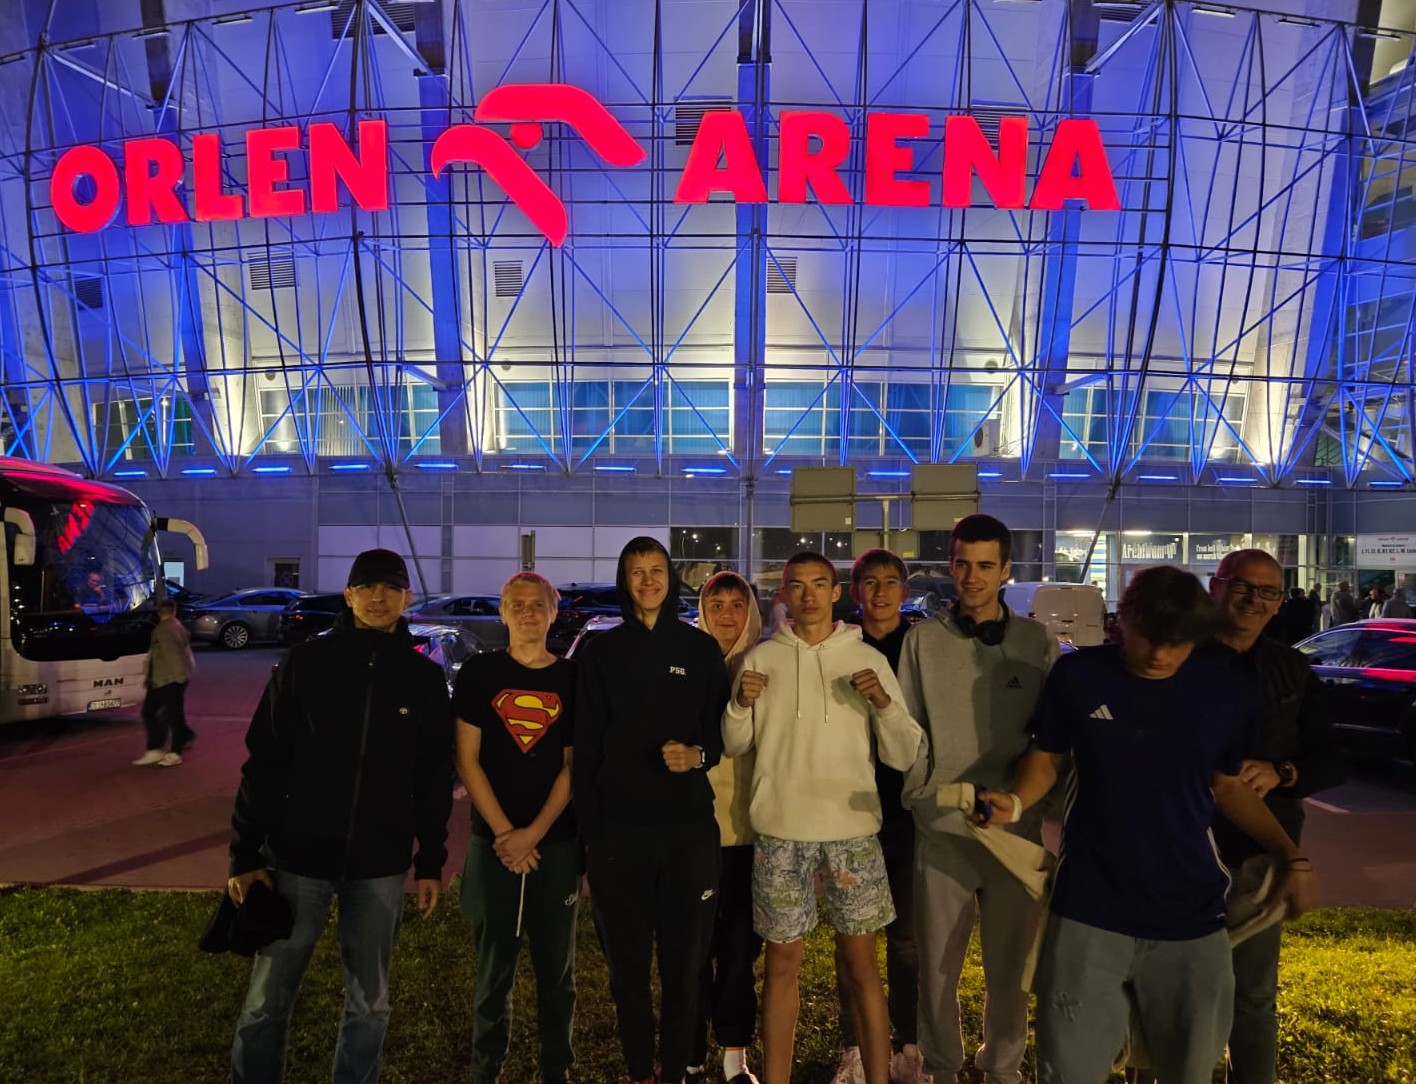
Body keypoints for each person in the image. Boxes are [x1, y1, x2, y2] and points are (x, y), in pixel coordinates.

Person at [981, 565, 1318, 1084]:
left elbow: (1228, 785)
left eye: (1177, 643)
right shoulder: (1079, 676)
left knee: (1189, 1070)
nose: (1160, 654)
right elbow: (1047, 756)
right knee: (1068, 1070)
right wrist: (1014, 802)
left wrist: (1291, 856)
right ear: (1123, 622)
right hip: (1089, 909)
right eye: (1148, 639)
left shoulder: (1224, 687)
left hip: (1191, 915)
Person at [226, 548, 454, 1084]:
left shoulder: (422, 679)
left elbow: (432, 776)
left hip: (380, 863)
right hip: (298, 857)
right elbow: (266, 759)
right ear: (348, 595)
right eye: (366, 586)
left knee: (370, 1003)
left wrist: (430, 861)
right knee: (266, 1000)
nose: (378, 597)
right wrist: (245, 852)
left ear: (407, 598)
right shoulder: (306, 663)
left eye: (390, 587)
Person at [723, 551, 924, 1084]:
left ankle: (878, 1076)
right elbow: (734, 743)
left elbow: (905, 753)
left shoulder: (866, 658)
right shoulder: (762, 657)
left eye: (819, 584)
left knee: (862, 965)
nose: (808, 595)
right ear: (784, 594)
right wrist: (740, 705)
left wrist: (883, 703)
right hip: (780, 832)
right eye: (797, 585)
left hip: (851, 835)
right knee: (781, 966)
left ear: (836, 593)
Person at [897, 516, 1060, 1084]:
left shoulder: (1037, 644)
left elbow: (1052, 739)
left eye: (985, 566)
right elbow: (908, 732)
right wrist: (924, 798)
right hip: (942, 828)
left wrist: (1026, 804)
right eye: (963, 564)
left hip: (1013, 831)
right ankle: (942, 1068)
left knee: (1010, 968)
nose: (972, 577)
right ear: (951, 563)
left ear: (1006, 570)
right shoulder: (922, 642)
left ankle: (1003, 1068)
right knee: (937, 970)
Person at [574, 536, 730, 1084]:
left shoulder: (700, 650)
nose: (647, 581)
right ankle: (641, 1070)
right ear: (624, 579)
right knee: (629, 971)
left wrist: (697, 755)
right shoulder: (600, 653)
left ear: (671, 577)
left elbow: (719, 734)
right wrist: (591, 836)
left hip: (688, 833)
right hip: (619, 836)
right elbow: (585, 749)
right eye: (636, 571)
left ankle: (677, 1070)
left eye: (656, 570)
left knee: (685, 968)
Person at [1205, 549, 1342, 1084]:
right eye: (1243, 585)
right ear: (1216, 586)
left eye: (1268, 592)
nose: (1254, 600)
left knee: (1254, 996)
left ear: (1281, 602)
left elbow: (1331, 756)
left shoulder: (1292, 668)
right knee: (1165, 989)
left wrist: (1283, 772)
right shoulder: (1179, 657)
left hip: (1261, 858)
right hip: (1186, 848)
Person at [454, 572, 579, 1084]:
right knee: (493, 969)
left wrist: (534, 833)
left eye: (538, 605)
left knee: (558, 972)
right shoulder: (480, 673)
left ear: (554, 612)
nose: (528, 613)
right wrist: (508, 834)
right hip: (494, 846)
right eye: (517, 604)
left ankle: (557, 1069)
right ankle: (486, 1070)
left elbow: (573, 766)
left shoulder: (572, 678)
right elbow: (467, 759)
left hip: (557, 845)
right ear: (503, 613)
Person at [828, 549, 925, 1084]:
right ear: (855, 591)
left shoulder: (921, 648)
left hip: (906, 809)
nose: (881, 592)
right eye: (870, 582)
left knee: (906, 939)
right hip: (851, 810)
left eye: (891, 582)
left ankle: (909, 1045)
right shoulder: (840, 646)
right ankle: (856, 1047)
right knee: (852, 936)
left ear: (904, 592)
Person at [690, 570, 765, 1084]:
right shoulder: (684, 667)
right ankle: (690, 1051)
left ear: (751, 612)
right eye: (715, 604)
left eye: (737, 604)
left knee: (740, 952)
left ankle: (734, 1056)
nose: (726, 614)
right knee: (691, 951)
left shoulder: (767, 666)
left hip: (747, 835)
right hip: (692, 833)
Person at [133, 599, 196, 767]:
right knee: (171, 714)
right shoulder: (178, 627)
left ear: (159, 613)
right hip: (170, 678)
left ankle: (169, 751)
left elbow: (170, 655)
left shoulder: (163, 630)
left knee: (156, 713)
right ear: (174, 611)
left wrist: (177, 678)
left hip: (166, 679)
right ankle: (179, 740)